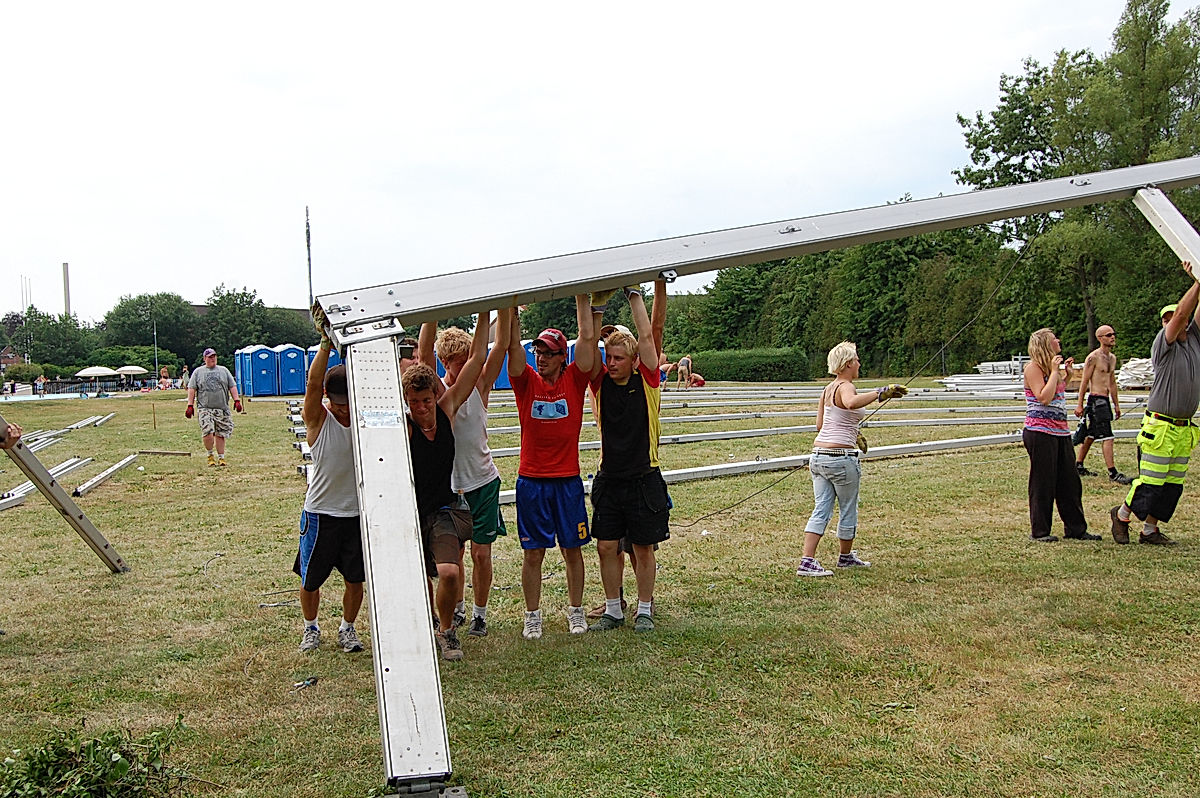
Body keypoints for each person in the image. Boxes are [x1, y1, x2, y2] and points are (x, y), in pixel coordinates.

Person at [417, 308, 513, 638]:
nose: (463, 367)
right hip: (451, 489)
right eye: (456, 363)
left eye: (466, 360)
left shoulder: (479, 385)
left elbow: (496, 347)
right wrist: (429, 313)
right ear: (445, 364)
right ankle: (454, 609)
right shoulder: (439, 394)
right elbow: (424, 351)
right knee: (452, 555)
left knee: (481, 553)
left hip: (482, 481)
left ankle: (480, 614)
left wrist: (497, 307)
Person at [507, 296, 597, 639]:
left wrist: (580, 296)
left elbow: (588, 340)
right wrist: (511, 311)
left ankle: (576, 611)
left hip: (567, 482)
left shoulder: (574, 380)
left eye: (548, 353)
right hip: (531, 481)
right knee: (533, 553)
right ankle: (533, 615)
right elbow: (513, 347)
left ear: (563, 357)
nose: (541, 358)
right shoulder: (525, 382)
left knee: (572, 550)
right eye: (538, 353)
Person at [586, 286, 669, 632]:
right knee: (606, 545)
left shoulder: (647, 382)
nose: (611, 363)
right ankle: (613, 609)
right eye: (609, 358)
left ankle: (645, 609)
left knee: (643, 547)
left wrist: (635, 293)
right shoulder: (600, 383)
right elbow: (588, 349)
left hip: (643, 476)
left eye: (618, 358)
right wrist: (597, 308)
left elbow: (648, 335)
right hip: (610, 477)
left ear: (633, 361)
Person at [405, 320, 489, 661]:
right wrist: (429, 317)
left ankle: (447, 631)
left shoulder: (447, 409)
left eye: (426, 400)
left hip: (443, 510)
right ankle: (426, 625)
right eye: (414, 402)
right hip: (411, 511)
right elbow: (423, 354)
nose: (422, 408)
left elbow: (478, 357)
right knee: (419, 578)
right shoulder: (402, 424)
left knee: (450, 572)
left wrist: (485, 311)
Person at [796, 342, 907, 576]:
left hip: (818, 457)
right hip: (841, 460)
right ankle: (845, 557)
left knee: (821, 509)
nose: (859, 363)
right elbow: (850, 403)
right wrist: (880, 392)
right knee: (848, 508)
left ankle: (807, 561)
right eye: (856, 360)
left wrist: (853, 433)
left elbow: (821, 425)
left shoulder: (826, 389)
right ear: (847, 364)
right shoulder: (847, 386)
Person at [1112, 261, 1200, 545]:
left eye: (1176, 316)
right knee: (1150, 482)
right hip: (1160, 427)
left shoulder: (1196, 342)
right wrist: (1197, 283)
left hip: (1183, 428)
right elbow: (1184, 313)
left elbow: (1193, 314)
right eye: (1168, 318)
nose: (1174, 320)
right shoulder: (1164, 344)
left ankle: (1150, 530)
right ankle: (1122, 515)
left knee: (1172, 487)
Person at [294, 305, 365, 654]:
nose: (342, 408)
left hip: (355, 515)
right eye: (336, 402)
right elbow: (311, 384)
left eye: (346, 402)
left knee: (356, 579)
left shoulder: (366, 423)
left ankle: (347, 629)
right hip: (321, 513)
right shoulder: (318, 422)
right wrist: (325, 343)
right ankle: (311, 628)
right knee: (311, 579)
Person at [1021, 329, 1096, 542]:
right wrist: (1055, 372)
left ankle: (1076, 529)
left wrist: (1067, 375)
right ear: (1045, 344)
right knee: (1043, 482)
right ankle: (1040, 531)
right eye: (1055, 339)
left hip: (1060, 431)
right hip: (1039, 432)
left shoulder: (1051, 369)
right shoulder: (1033, 368)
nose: (1059, 341)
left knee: (1070, 481)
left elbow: (1057, 391)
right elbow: (1043, 397)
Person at [1073, 324, 1131, 484]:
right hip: (1095, 400)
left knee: (1091, 435)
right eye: (1108, 335)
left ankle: (1078, 465)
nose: (1112, 337)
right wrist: (1079, 404)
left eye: (1113, 334)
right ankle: (1113, 472)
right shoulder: (1093, 358)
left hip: (1105, 401)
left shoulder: (1112, 359)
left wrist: (1117, 405)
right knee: (1108, 436)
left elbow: (1112, 383)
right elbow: (1084, 382)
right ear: (1100, 338)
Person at [186, 348, 243, 467]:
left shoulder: (223, 370)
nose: (212, 359)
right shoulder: (198, 372)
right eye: (210, 357)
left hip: (222, 408)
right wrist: (190, 405)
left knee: (221, 433)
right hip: (205, 408)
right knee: (208, 431)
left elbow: (232, 386)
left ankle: (221, 457)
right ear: (204, 359)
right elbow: (192, 389)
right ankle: (210, 455)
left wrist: (237, 400)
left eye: (214, 356)